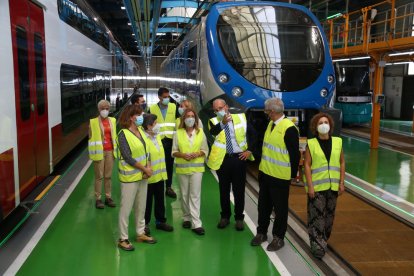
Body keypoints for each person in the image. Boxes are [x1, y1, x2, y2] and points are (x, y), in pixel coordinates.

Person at [251, 98, 300, 251]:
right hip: (265, 174)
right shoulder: (271, 124)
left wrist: (292, 176)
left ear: (271, 112)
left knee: (280, 209)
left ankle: (278, 237)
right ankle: (262, 233)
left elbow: (294, 155)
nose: (266, 113)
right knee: (263, 206)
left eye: (266, 111)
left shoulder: (289, 129)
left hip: (280, 177)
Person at [207, 98, 255, 231]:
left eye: (221, 108)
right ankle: (225, 217)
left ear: (227, 107)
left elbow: (253, 135)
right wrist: (222, 123)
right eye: (216, 110)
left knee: (239, 190)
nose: (219, 111)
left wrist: (249, 150)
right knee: (224, 190)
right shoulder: (213, 121)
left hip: (239, 159)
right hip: (223, 160)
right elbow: (213, 132)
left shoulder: (241, 118)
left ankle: (239, 218)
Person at [303, 113, 345, 259]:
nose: (323, 125)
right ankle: (317, 246)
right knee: (317, 218)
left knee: (329, 219)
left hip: (333, 187)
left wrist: (341, 182)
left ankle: (323, 240)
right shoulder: (311, 143)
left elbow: (342, 162)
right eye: (320, 123)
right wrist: (310, 186)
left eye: (325, 122)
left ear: (330, 125)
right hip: (317, 188)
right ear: (316, 127)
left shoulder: (338, 142)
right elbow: (307, 165)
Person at [117, 105, 156, 251]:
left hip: (143, 176)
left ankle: (140, 233)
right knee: (125, 208)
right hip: (130, 178)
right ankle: (123, 238)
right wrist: (145, 169)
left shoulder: (140, 131)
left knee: (141, 206)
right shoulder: (123, 134)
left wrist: (149, 167)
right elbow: (127, 157)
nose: (142, 116)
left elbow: (147, 151)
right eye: (139, 114)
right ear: (131, 117)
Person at [172, 109, 209, 235]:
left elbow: (205, 149)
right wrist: (182, 155)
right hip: (182, 168)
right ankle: (186, 217)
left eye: (192, 116)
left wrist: (197, 153)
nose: (190, 118)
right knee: (184, 194)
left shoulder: (200, 133)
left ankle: (196, 223)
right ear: (183, 119)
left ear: (196, 119)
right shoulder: (178, 133)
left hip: (197, 169)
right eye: (187, 116)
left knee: (195, 195)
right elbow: (174, 151)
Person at [142, 113, 174, 234]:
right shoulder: (144, 139)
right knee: (147, 202)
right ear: (148, 126)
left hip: (160, 175)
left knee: (160, 200)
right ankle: (144, 224)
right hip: (149, 177)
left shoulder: (157, 136)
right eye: (155, 123)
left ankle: (160, 221)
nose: (157, 125)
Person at [149, 87, 177, 198]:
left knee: (169, 165)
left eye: (168, 96)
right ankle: (158, 186)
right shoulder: (152, 109)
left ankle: (168, 187)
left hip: (170, 140)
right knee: (158, 164)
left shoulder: (174, 107)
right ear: (159, 97)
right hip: (157, 141)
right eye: (165, 97)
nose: (167, 99)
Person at [88, 100, 117, 209]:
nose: (105, 110)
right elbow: (90, 137)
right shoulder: (93, 122)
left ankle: (108, 197)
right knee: (99, 176)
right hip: (99, 153)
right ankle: (98, 198)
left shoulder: (113, 120)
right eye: (102, 108)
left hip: (110, 151)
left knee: (108, 176)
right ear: (98, 109)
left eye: (107, 108)